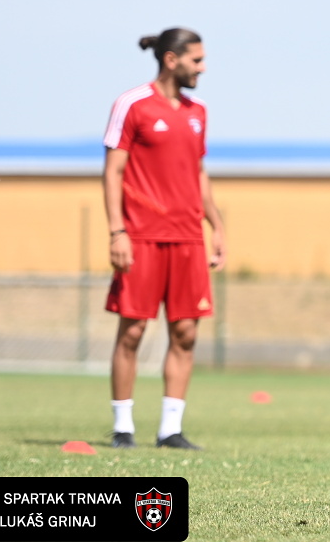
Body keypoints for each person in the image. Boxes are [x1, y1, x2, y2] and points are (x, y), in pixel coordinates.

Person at [103, 27, 226, 450]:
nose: (203, 68)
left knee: (186, 333)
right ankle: (123, 428)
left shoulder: (198, 112)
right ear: (171, 60)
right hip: (141, 236)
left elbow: (198, 172)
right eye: (197, 60)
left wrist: (216, 226)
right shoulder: (132, 104)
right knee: (133, 331)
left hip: (188, 238)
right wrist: (117, 231)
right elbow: (113, 172)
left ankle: (170, 430)